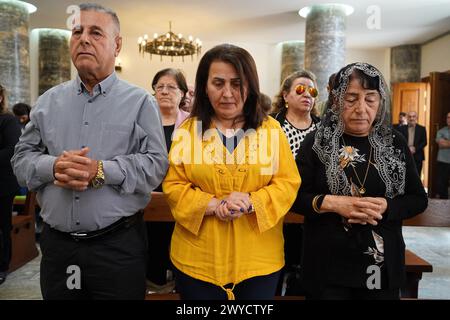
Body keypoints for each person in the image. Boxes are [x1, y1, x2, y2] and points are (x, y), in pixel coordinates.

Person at [11, 3, 168, 300]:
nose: (84, 39)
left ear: (117, 44)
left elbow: (156, 164)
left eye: (96, 33)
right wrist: (53, 166)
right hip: (59, 248)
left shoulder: (140, 103)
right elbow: (21, 159)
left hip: (117, 247)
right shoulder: (47, 102)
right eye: (77, 32)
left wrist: (101, 171)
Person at [162, 44, 301, 300]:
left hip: (259, 261)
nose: (227, 93)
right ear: (204, 86)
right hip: (197, 259)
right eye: (218, 83)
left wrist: (251, 202)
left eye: (237, 83)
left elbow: (287, 183)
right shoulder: (188, 131)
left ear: (250, 86)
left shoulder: (270, 130)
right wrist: (213, 204)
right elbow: (174, 185)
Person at [292, 62, 428, 300]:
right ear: (336, 101)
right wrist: (332, 203)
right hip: (327, 263)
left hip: (380, 266)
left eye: (370, 98)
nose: (361, 108)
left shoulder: (394, 143)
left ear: (380, 101)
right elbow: (294, 196)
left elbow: (418, 199)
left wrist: (387, 206)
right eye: (351, 98)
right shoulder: (316, 142)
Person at [272, 69, 320, 295]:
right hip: (278, 209)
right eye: (300, 89)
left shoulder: (324, 130)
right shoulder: (271, 127)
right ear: (285, 96)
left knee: (306, 275)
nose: (307, 94)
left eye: (312, 90)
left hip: (311, 209)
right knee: (277, 269)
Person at [146, 68, 189, 292]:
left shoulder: (193, 124)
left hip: (180, 196)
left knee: (174, 247)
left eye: (171, 87)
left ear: (182, 93)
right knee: (150, 246)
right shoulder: (142, 120)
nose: (164, 91)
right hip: (147, 196)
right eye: (159, 87)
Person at [0, 84, 22, 285]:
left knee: (1, 226)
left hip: (2, 183)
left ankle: (2, 266)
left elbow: (11, 150)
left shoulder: (8, 120)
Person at [398, 111, 427, 176]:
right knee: (405, 176)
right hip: (405, 156)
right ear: (407, 118)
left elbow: (424, 142)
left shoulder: (422, 129)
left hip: (418, 156)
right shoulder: (401, 129)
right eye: (410, 116)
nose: (411, 118)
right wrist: (408, 148)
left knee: (417, 176)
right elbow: (400, 141)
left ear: (416, 117)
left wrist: (415, 149)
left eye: (413, 116)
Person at [435, 112, 450, 199]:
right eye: (448, 117)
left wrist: (446, 141)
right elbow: (441, 144)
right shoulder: (441, 131)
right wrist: (444, 142)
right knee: (442, 183)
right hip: (443, 161)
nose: (449, 119)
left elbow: (444, 143)